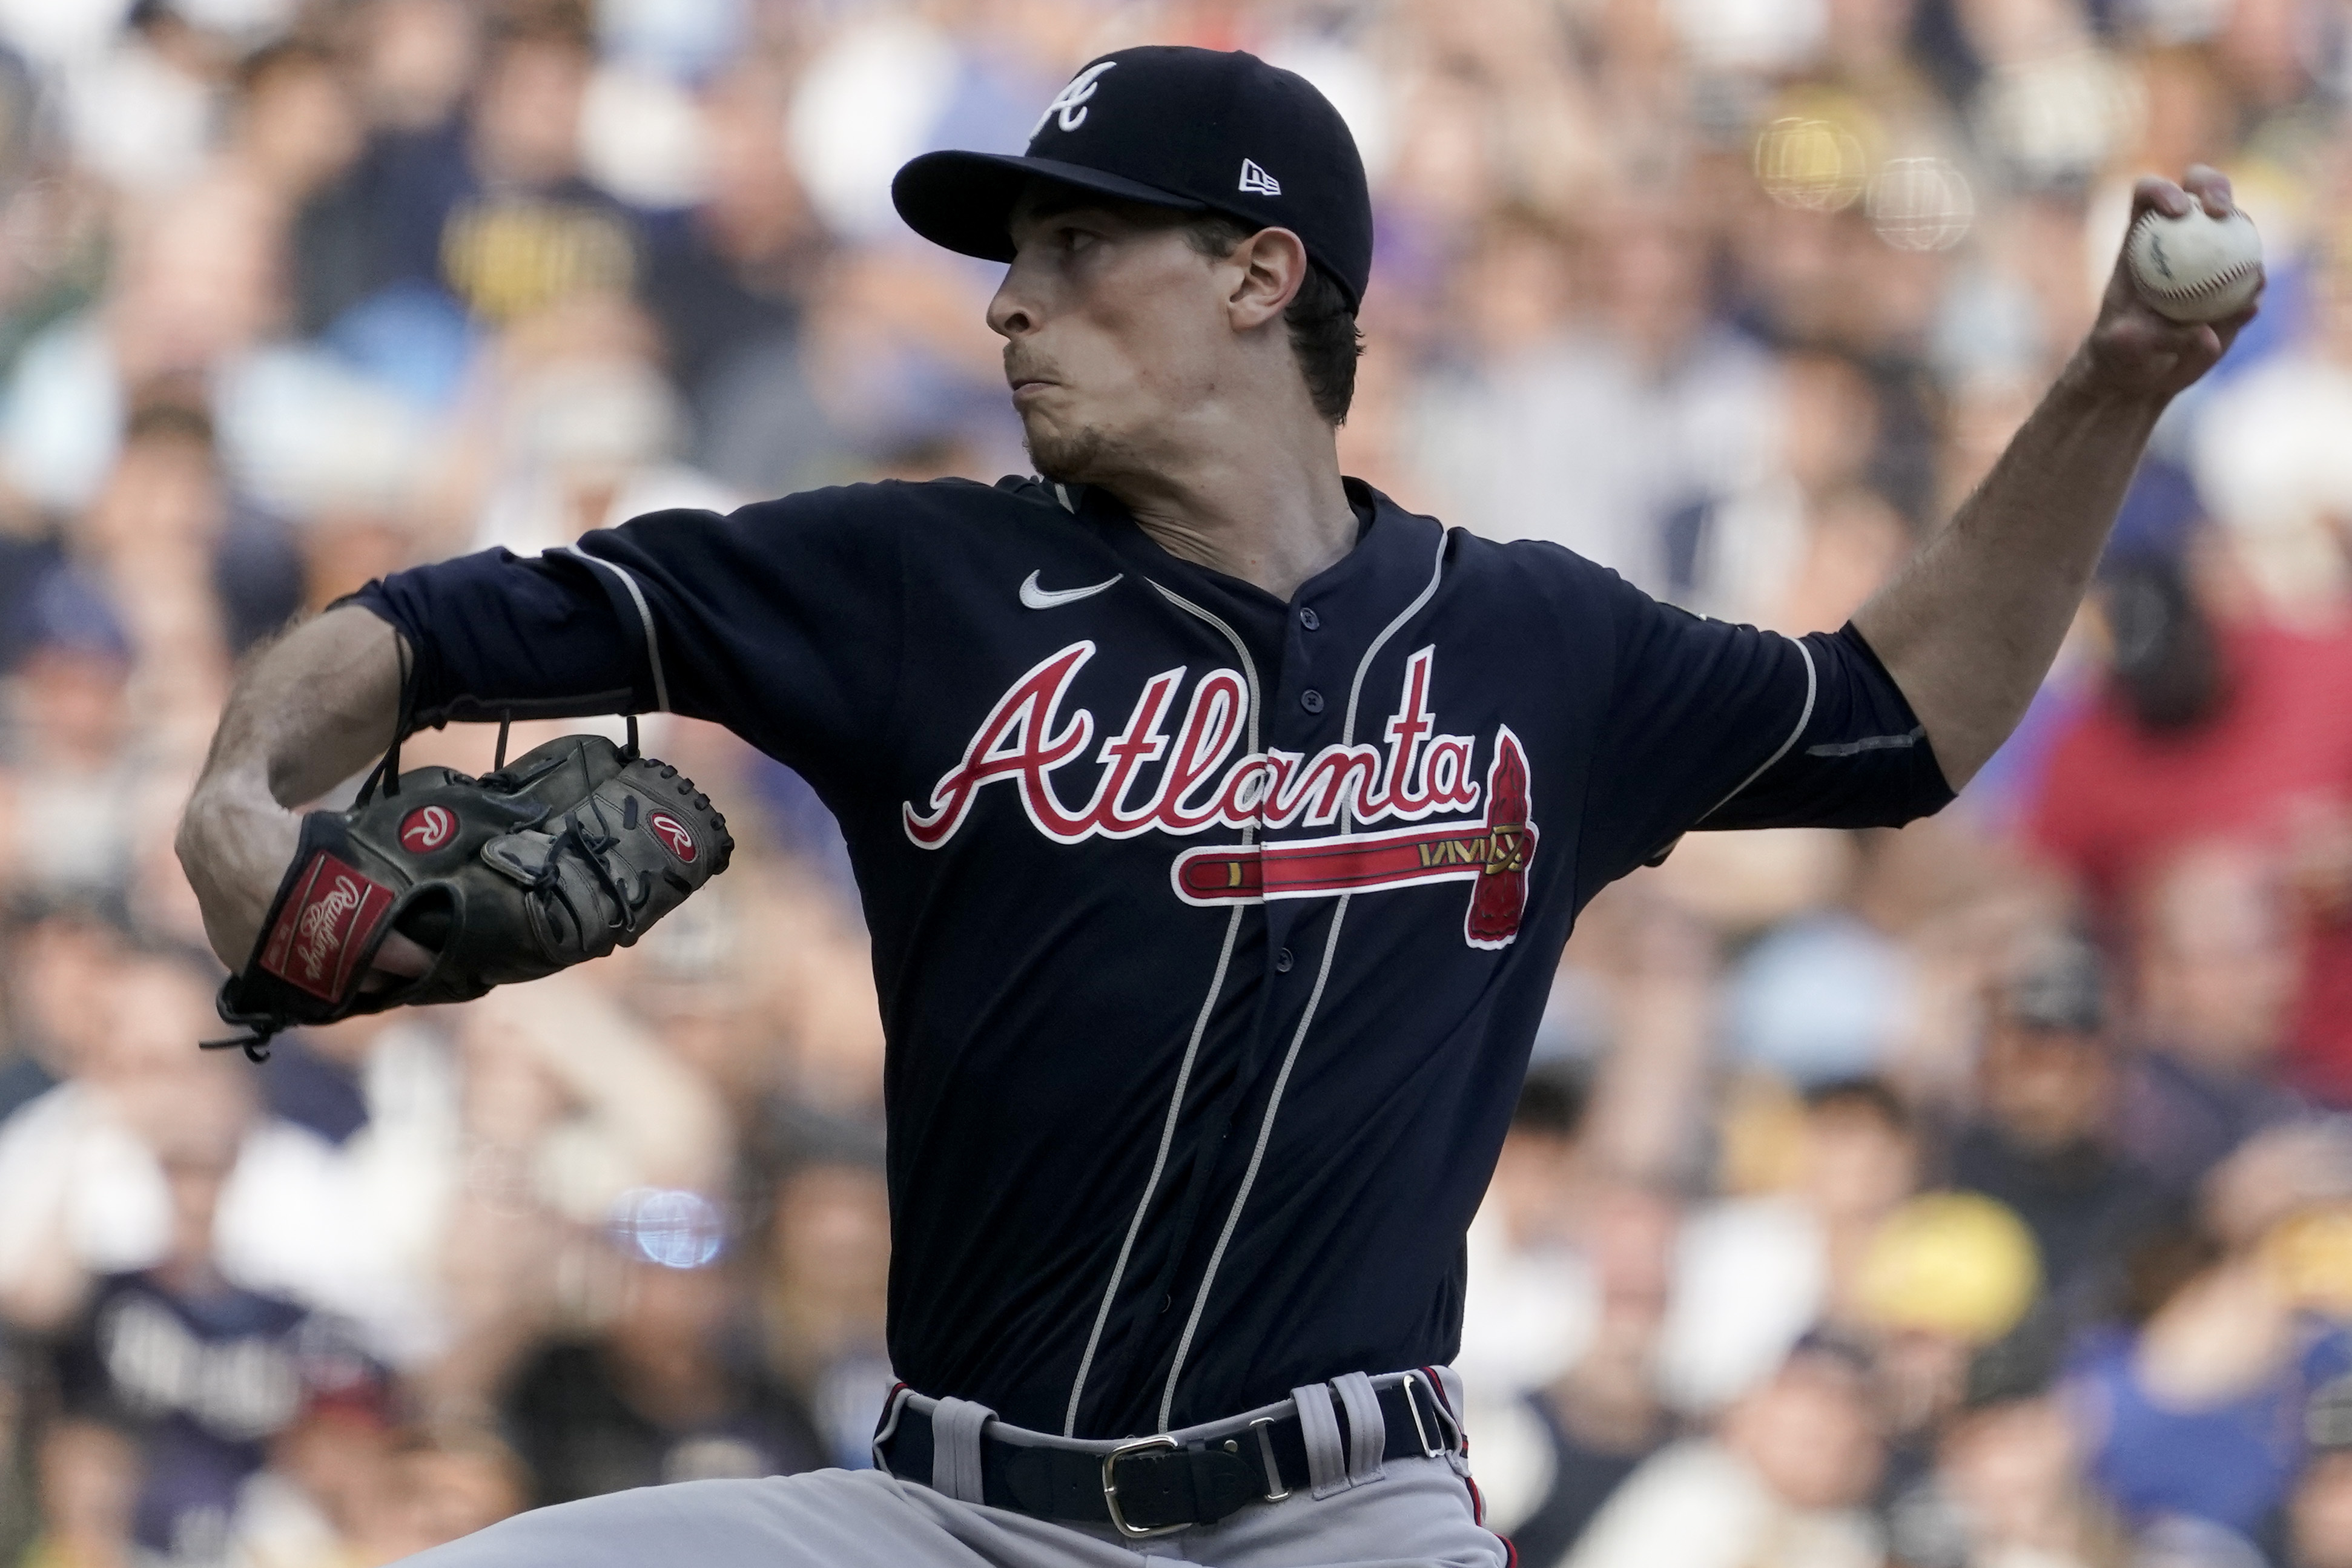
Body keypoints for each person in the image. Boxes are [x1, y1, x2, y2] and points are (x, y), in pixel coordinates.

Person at [174, 43, 2251, 1568]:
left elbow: (1901, 720)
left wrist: (2107, 389)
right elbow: (452, 626)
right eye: (1014, 258)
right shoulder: (918, 579)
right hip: (951, 1516)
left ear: (1263, 277)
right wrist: (241, 798)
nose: (1007, 301)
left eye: (1075, 248)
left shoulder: (1532, 642)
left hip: (1343, 1521)